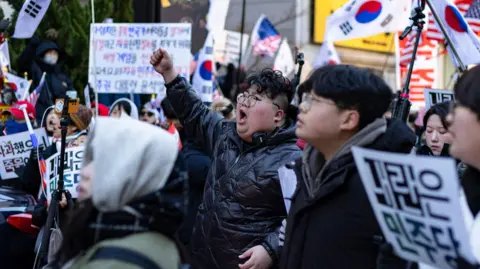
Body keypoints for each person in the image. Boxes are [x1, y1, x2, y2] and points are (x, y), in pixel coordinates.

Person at [151, 48, 302, 269]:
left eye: (256, 98)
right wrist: (170, 74)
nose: (245, 102)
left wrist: (271, 249)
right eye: (245, 95)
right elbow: (195, 112)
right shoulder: (225, 134)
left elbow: (300, 216)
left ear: (278, 116)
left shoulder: (291, 159)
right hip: (201, 258)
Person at [280, 65, 416, 269]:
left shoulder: (388, 184)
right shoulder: (309, 168)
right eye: (305, 98)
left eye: (313, 101)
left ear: (349, 119)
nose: (302, 107)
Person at [48, 117, 188, 269]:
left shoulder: (119, 260)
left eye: (102, 160)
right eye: (88, 159)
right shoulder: (143, 234)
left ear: (139, 177)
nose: (84, 172)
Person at [18, 34, 73, 124]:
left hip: (60, 123)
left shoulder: (63, 76)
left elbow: (72, 97)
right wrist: (32, 46)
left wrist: (70, 118)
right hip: (40, 120)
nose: (53, 55)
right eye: (50, 53)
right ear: (42, 55)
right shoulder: (36, 71)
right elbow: (23, 64)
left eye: (55, 53)